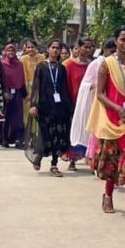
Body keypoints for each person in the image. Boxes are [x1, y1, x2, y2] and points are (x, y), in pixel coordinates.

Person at [89, 26, 125, 222]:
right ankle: (108, 195)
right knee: (112, 163)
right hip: (113, 120)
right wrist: (117, 108)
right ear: (116, 41)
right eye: (123, 39)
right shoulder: (106, 64)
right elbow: (100, 94)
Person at [29, 40, 73, 176]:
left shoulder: (62, 68)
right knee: (45, 133)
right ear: (48, 49)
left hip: (58, 107)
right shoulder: (41, 66)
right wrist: (34, 105)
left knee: (57, 135)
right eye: (53, 47)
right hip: (44, 106)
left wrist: (68, 108)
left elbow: (64, 88)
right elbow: (36, 87)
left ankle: (54, 164)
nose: (55, 50)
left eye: (57, 48)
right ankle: (39, 155)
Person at [73, 38, 116, 167]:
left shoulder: (116, 64)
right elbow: (85, 84)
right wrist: (97, 86)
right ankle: (93, 159)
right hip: (96, 103)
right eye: (111, 51)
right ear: (105, 49)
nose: (113, 54)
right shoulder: (96, 64)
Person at [63, 37, 95, 166]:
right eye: (85, 47)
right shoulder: (69, 65)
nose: (88, 50)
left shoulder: (93, 64)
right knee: (75, 128)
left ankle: (89, 156)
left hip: (89, 102)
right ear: (79, 47)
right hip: (73, 102)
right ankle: (72, 159)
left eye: (90, 47)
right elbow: (65, 84)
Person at [0, 42, 27, 148]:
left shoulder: (19, 65)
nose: (10, 52)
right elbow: (1, 80)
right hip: (6, 94)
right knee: (6, 117)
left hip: (17, 93)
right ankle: (5, 139)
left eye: (12, 51)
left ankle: (18, 140)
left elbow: (22, 79)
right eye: (8, 51)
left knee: (17, 118)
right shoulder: (2, 65)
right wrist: (4, 92)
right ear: (5, 52)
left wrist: (25, 94)